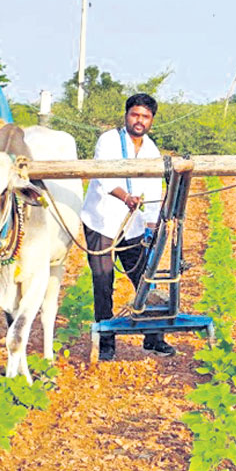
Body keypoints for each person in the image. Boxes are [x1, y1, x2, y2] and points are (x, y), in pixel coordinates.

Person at [81, 93, 176, 360]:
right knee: (103, 280)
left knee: (145, 279)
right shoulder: (109, 140)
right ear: (126, 116)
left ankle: (153, 337)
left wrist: (153, 222)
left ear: (151, 121)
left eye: (145, 116)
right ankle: (106, 339)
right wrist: (126, 197)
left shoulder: (151, 149)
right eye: (135, 114)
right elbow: (103, 177)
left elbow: (154, 188)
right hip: (102, 221)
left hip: (133, 226)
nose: (139, 120)